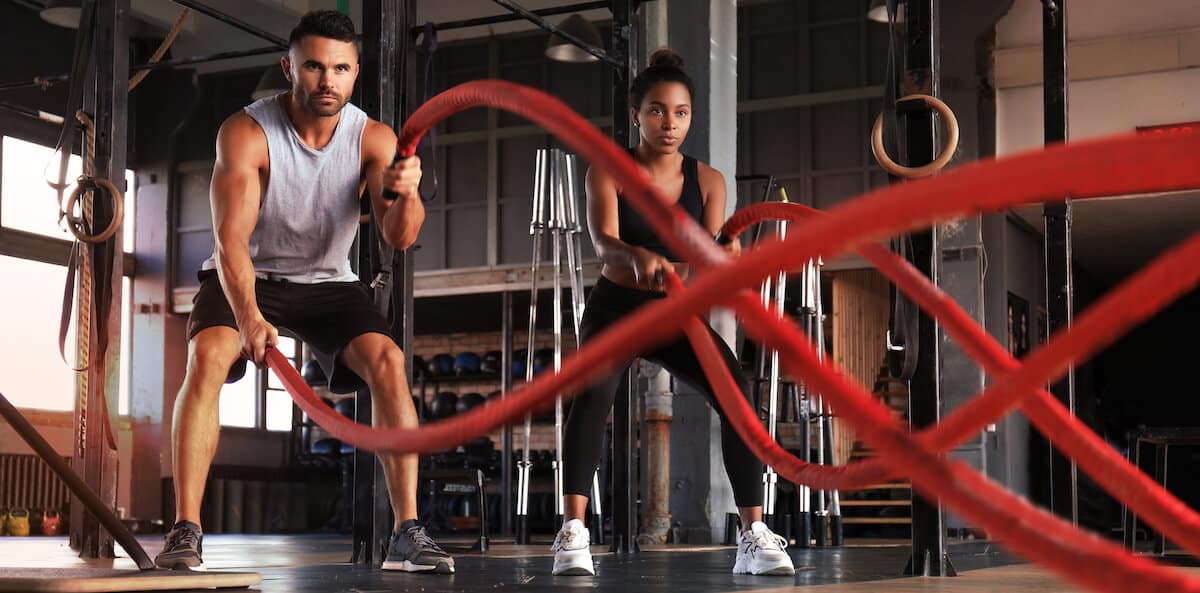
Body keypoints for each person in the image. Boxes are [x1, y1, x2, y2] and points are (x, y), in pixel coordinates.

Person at [154, 10, 453, 574]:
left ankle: (407, 533)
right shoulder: (246, 132)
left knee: (388, 362)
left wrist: (406, 192)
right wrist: (247, 318)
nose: (327, 80)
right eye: (314, 66)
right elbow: (230, 240)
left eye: (340, 68)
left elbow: (400, 236)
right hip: (246, 273)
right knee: (207, 355)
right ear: (288, 67)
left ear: (355, 72)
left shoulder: (375, 139)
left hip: (326, 281)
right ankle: (185, 530)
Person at [551, 49, 796, 577]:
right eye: (658, 110)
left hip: (676, 309)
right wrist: (637, 257)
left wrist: (723, 261)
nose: (670, 123)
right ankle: (573, 532)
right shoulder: (607, 170)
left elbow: (710, 259)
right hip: (617, 306)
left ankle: (752, 534)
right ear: (636, 115)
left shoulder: (708, 181)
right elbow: (605, 245)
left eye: (681, 112)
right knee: (592, 394)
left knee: (737, 389)